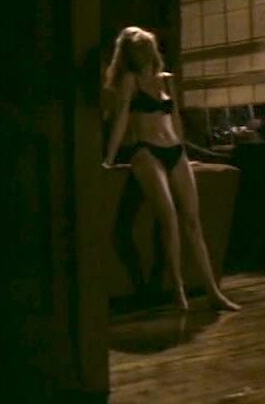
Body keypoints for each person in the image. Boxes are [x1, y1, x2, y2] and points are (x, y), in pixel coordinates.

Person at [103, 26, 240, 312]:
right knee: (168, 216)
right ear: (127, 55)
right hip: (146, 150)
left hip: (174, 150)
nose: (142, 54)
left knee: (192, 221)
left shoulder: (166, 80)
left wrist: (186, 155)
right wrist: (109, 159)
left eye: (145, 48)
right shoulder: (129, 80)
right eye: (135, 50)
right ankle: (178, 289)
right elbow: (121, 120)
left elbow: (175, 119)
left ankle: (213, 291)